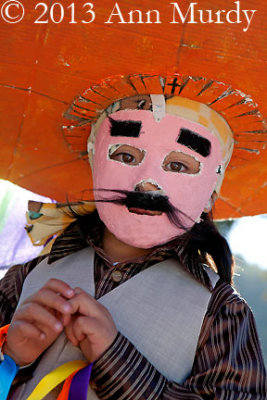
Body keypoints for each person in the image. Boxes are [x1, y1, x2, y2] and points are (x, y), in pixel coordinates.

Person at [0, 74, 266, 399]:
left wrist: (117, 359)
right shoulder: (26, 279)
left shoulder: (222, 314)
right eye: (126, 156)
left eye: (180, 165)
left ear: (212, 192)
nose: (147, 183)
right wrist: (10, 359)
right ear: (94, 161)